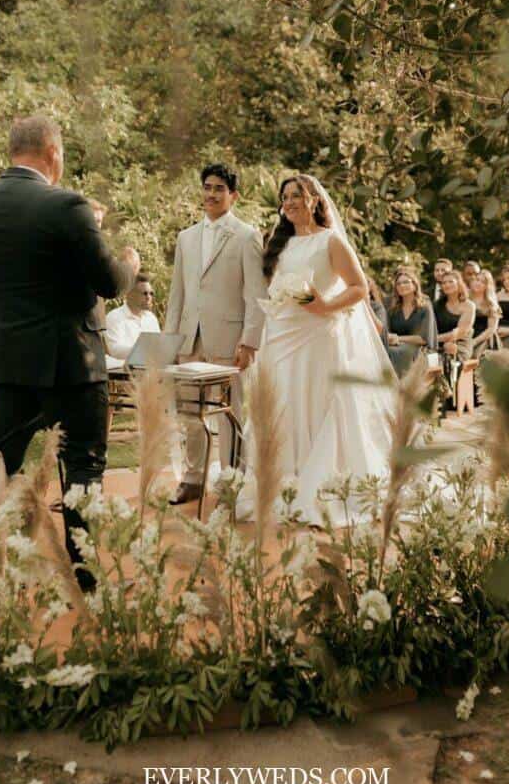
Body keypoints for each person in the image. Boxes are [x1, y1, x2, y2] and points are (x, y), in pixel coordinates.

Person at [0, 115, 139, 591]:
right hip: (71, 363)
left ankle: (0, 565)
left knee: (0, 464)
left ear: (12, 150)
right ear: (54, 153)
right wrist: (130, 262)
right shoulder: (68, 206)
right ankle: (84, 577)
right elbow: (108, 281)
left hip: (9, 363)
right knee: (82, 465)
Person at [236, 175, 396, 527]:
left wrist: (325, 305)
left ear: (314, 200)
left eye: (297, 195)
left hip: (318, 336)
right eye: (285, 197)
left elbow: (357, 288)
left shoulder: (331, 241)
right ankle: (281, 485)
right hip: (280, 336)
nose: (290, 201)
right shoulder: (277, 244)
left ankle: (320, 486)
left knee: (316, 404)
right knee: (282, 406)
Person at [164, 163, 268, 504]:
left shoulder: (247, 235)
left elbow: (256, 295)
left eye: (219, 188)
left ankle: (231, 483)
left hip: (230, 340)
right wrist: (170, 341)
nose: (211, 193)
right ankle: (192, 479)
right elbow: (176, 295)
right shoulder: (185, 238)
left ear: (233, 195)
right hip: (189, 339)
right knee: (190, 414)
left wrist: (250, 340)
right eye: (207, 187)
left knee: (231, 414)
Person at [386, 270, 437, 376]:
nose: (401, 285)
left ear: (414, 284)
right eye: (398, 283)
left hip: (421, 349)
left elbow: (423, 339)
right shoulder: (393, 309)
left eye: (406, 282)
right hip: (397, 347)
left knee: (396, 353)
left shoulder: (425, 307)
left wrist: (398, 338)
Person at [435, 270, 475, 403]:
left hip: (460, 344)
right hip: (440, 342)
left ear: (459, 283)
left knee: (446, 356)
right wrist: (438, 341)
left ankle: (446, 398)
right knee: (427, 356)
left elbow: (461, 332)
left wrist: (438, 339)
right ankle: (437, 395)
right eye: (444, 283)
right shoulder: (437, 305)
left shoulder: (469, 306)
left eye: (450, 281)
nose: (446, 285)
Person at [105, 273, 160, 362]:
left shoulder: (151, 318)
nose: (149, 297)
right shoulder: (114, 317)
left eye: (151, 293)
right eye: (144, 293)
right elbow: (114, 350)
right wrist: (142, 350)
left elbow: (157, 347)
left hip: (150, 369)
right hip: (123, 371)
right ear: (129, 294)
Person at [469, 268, 501, 358]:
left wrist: (474, 341)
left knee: (474, 355)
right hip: (467, 336)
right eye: (477, 280)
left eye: (483, 282)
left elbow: (491, 329)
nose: (478, 283)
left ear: (487, 286)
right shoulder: (466, 299)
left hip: (484, 338)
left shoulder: (491, 304)